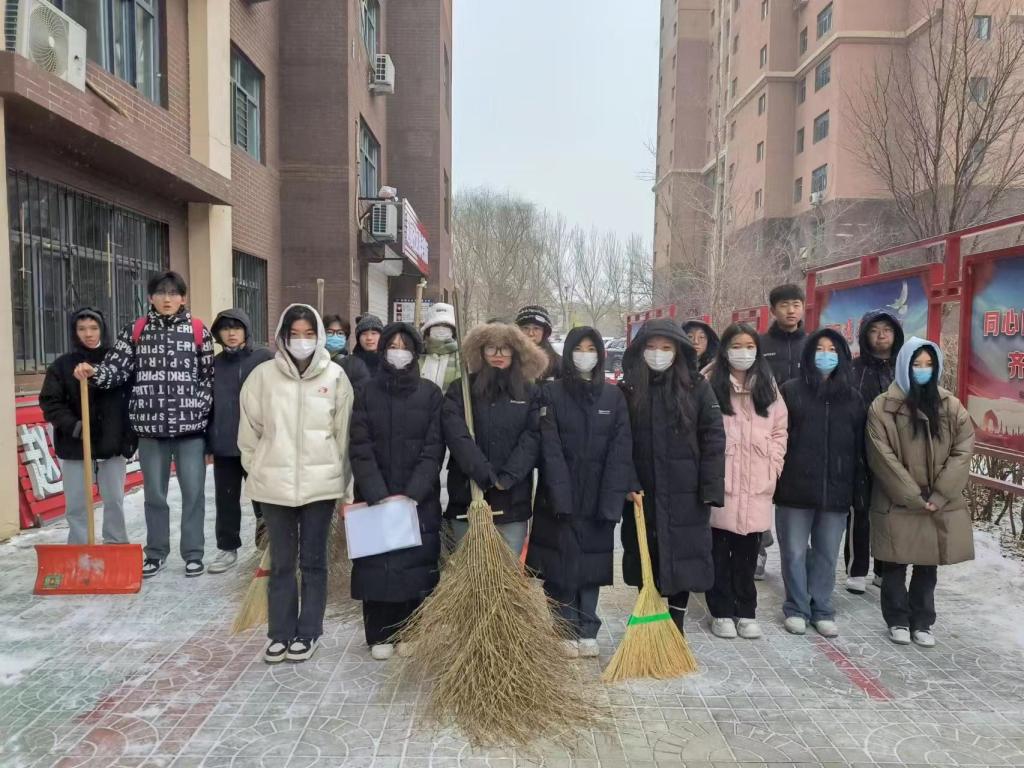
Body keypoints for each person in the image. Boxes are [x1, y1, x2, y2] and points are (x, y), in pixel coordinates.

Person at [74, 271, 213, 578]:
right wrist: (94, 372)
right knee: (154, 496)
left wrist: (199, 409)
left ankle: (193, 553)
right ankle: (156, 552)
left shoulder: (198, 330)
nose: (167, 299)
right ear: (150, 297)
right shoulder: (136, 330)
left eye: (174, 293)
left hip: (190, 431)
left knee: (193, 494)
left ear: (183, 298)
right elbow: (116, 369)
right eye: (161, 293)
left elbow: (207, 377)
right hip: (150, 430)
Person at [238, 304, 354, 664]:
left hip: (320, 486)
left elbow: (344, 436)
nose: (302, 341)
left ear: (318, 337)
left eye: (309, 334)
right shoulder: (263, 377)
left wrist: (343, 485)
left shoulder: (335, 377)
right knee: (282, 563)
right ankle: (280, 633)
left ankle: (309, 632)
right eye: (294, 334)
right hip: (274, 486)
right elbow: (249, 433)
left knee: (314, 561)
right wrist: (258, 468)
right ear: (282, 337)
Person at [527, 327, 633, 658]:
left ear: (600, 354)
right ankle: (563, 627)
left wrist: (612, 497)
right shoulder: (551, 393)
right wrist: (560, 495)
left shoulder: (613, 397)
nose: (585, 355)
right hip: (558, 494)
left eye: (591, 349)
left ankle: (587, 628)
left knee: (591, 564)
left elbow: (620, 450)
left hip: (598, 494)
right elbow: (549, 446)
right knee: (558, 563)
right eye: (579, 348)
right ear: (568, 352)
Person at [866, 337, 974, 648]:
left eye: (929, 364)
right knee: (895, 563)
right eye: (917, 364)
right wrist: (913, 496)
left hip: (937, 501)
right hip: (898, 500)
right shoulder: (882, 406)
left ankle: (923, 621)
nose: (923, 370)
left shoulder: (950, 406)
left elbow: (963, 449)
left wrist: (940, 494)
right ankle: (897, 619)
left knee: (928, 564)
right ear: (904, 366)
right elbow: (881, 456)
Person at [619, 319, 725, 634]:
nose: (658, 353)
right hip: (642, 492)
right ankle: (649, 620)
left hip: (686, 492)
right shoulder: (628, 389)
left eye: (666, 348)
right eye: (651, 347)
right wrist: (628, 482)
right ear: (640, 350)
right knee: (645, 555)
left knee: (684, 558)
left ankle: (676, 624)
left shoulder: (697, 387)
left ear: (678, 351)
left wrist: (710, 487)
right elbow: (619, 441)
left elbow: (713, 437)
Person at [349, 323, 445, 660]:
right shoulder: (366, 391)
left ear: (415, 353)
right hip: (374, 494)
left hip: (417, 497)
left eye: (405, 347)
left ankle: (411, 630)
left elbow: (434, 447)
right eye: (393, 345)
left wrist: (414, 491)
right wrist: (376, 491)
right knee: (378, 565)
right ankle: (379, 633)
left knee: (414, 564)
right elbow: (359, 445)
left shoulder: (430, 394)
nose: (399, 352)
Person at [774, 328, 867, 638]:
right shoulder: (790, 391)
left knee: (827, 553)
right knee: (794, 552)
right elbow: (778, 438)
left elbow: (860, 449)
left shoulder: (852, 398)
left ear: (842, 356)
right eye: (819, 349)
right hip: (794, 489)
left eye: (832, 349)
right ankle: (797, 607)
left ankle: (822, 608)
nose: (826, 355)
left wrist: (858, 489)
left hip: (836, 490)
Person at [703, 323, 788, 640]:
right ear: (725, 349)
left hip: (756, 484)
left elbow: (780, 430)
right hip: (721, 482)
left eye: (749, 346)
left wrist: (773, 466)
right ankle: (721, 610)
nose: (743, 352)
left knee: (748, 554)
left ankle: (746, 610)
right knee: (718, 552)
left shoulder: (768, 385)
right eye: (736, 346)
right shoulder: (709, 383)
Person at [442, 322, 545, 556]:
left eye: (505, 348)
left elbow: (533, 436)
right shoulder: (461, 390)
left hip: (512, 501)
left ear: (516, 352)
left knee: (506, 569)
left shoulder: (530, 393)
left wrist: (506, 478)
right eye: (491, 348)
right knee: (469, 567)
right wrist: (484, 474)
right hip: (467, 498)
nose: (498, 354)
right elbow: (456, 435)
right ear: (480, 351)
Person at [41, 308, 136, 545]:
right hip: (75, 446)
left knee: (114, 500)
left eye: (94, 328)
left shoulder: (117, 364)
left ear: (103, 330)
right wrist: (74, 426)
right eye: (82, 329)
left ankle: (116, 543)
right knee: (77, 504)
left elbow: (131, 401)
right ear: (74, 332)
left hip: (111, 444)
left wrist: (127, 437)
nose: (88, 334)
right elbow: (50, 403)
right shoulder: (62, 366)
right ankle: (80, 546)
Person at [206, 308, 274, 573]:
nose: (231, 333)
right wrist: (209, 440)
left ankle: (267, 545)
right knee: (226, 500)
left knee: (263, 498)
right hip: (225, 444)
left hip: (257, 444)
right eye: (225, 329)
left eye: (236, 328)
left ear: (246, 330)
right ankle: (227, 548)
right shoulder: (215, 364)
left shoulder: (263, 359)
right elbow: (208, 404)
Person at [845, 309, 905, 594]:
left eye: (887, 330)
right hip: (860, 451)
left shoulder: (904, 369)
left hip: (896, 454)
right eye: (874, 330)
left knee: (890, 512)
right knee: (860, 510)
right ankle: (856, 569)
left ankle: (884, 569)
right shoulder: (853, 369)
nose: (881, 336)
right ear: (864, 335)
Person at [755, 283, 808, 580]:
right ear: (773, 310)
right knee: (760, 488)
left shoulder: (812, 345)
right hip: (765, 427)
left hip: (801, 430)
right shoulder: (760, 345)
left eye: (796, 304)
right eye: (785, 305)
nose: (791, 310)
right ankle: (758, 548)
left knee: (792, 494)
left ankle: (796, 552)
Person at [419, 302, 461, 392]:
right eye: (436, 325)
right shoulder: (419, 355)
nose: (441, 330)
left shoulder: (462, 357)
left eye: (446, 326)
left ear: (453, 330)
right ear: (428, 330)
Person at [515, 305, 561, 380]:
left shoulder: (557, 362)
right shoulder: (509, 357)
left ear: (544, 332)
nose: (530, 333)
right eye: (525, 328)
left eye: (536, 328)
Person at [324, 314, 368, 388]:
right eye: (330, 332)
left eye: (340, 333)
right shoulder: (312, 361)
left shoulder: (356, 366)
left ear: (346, 337)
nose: (335, 336)